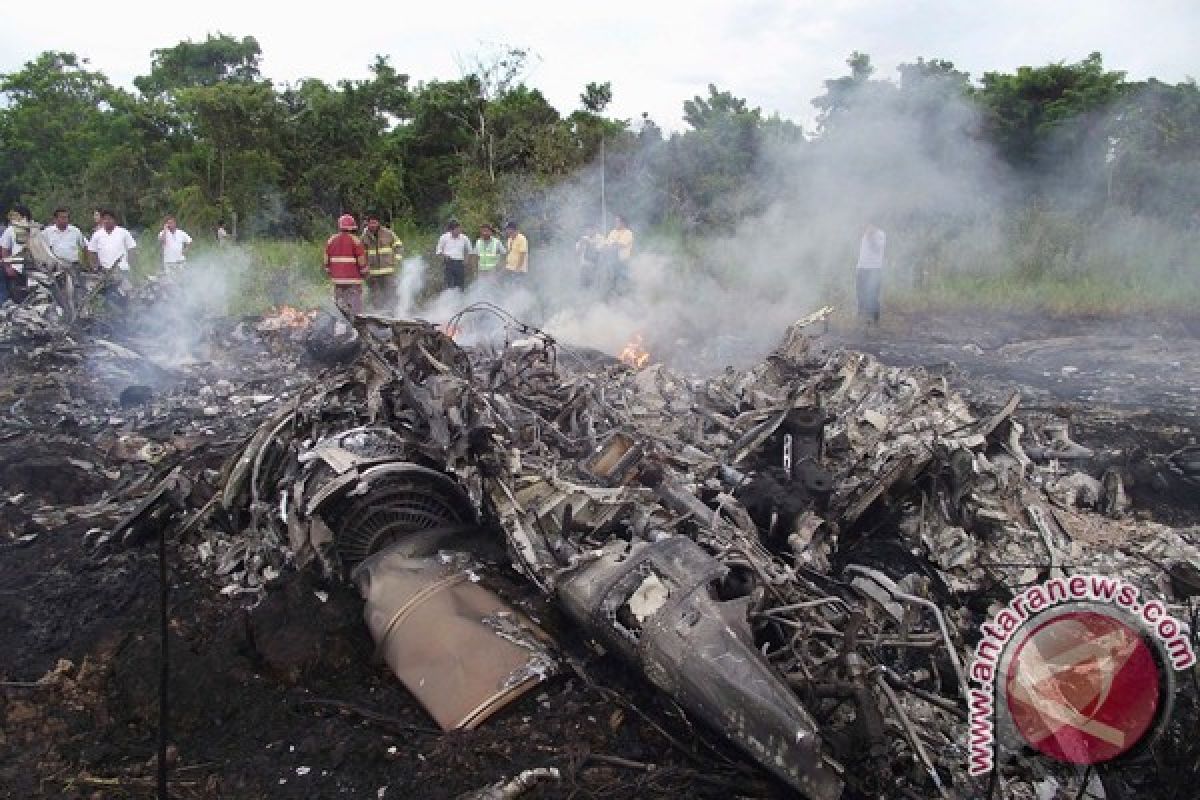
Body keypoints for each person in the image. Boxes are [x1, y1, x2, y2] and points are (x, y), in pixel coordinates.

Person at [323, 213, 368, 314]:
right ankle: (355, 327)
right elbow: (361, 261)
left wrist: (331, 273)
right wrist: (365, 273)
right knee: (355, 307)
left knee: (340, 306)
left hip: (337, 281)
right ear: (352, 227)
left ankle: (341, 325)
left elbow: (326, 262)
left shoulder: (331, 240)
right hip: (353, 281)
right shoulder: (355, 240)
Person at [362, 213, 403, 311]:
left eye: (374, 222)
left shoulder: (388, 233)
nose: (372, 225)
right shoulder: (364, 237)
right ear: (367, 223)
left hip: (388, 271)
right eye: (370, 223)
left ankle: (393, 314)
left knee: (391, 293)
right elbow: (361, 253)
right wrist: (364, 268)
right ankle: (379, 315)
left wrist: (397, 259)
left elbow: (398, 245)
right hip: (372, 273)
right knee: (376, 296)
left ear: (378, 222)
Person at [0, 205, 40, 304]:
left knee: (35, 297)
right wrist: (8, 267)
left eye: (14, 215)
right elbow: (4, 249)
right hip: (17, 268)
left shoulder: (35, 229)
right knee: (18, 298)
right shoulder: (11, 230)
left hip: (35, 269)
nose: (12, 217)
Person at [855, 223, 886, 325]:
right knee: (860, 295)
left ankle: (874, 321)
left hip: (874, 270)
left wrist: (870, 236)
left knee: (872, 296)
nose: (868, 226)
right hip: (861, 268)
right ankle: (861, 319)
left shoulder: (881, 234)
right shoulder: (865, 233)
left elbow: (876, 249)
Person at [435, 219, 472, 290]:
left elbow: (470, 251)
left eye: (459, 228)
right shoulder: (444, 237)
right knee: (449, 285)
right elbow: (438, 251)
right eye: (456, 229)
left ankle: (459, 299)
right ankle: (450, 299)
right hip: (448, 263)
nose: (459, 230)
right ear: (451, 230)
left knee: (460, 285)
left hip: (460, 263)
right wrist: (444, 255)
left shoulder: (464, 238)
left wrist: (466, 260)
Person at [601, 215, 634, 294]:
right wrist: (607, 247)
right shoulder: (613, 232)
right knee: (611, 280)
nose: (615, 223)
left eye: (617, 221)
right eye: (615, 221)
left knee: (623, 281)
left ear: (623, 223)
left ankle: (627, 295)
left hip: (623, 261)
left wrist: (611, 245)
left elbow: (621, 245)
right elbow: (606, 244)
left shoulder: (628, 233)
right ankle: (612, 297)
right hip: (612, 261)